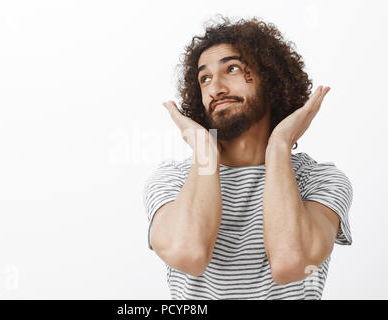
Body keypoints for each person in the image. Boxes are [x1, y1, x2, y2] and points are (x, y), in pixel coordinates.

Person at [143, 16, 352, 300]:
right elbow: (188, 254)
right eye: (204, 78)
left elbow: (291, 263)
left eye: (232, 69)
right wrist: (205, 152)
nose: (215, 88)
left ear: (271, 80)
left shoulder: (319, 180)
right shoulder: (173, 180)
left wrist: (279, 145)